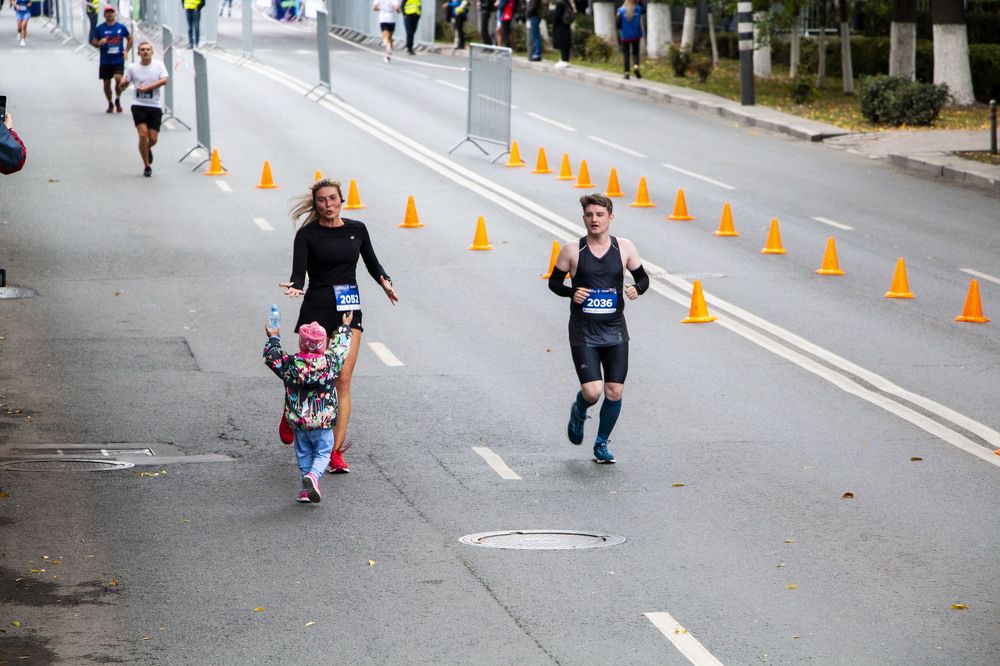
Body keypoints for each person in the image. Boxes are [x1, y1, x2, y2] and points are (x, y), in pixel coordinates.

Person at [279, 179, 399, 474]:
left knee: (342, 379)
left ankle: (333, 451)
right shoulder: (307, 235)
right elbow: (298, 273)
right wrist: (296, 287)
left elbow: (373, 263)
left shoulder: (356, 230)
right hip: (316, 311)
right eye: (322, 200)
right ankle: (291, 409)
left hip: (348, 309)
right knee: (313, 377)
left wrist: (385, 282)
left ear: (341, 200)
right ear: (316, 204)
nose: (328, 204)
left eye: (332, 198)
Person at [547, 193, 649, 464]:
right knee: (593, 392)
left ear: (610, 218)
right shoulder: (572, 250)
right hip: (584, 332)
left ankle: (601, 443)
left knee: (614, 391)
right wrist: (572, 293)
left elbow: (642, 278)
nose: (595, 220)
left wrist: (636, 289)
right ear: (584, 218)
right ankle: (580, 410)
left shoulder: (624, 247)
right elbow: (554, 283)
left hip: (615, 331)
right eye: (590, 215)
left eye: (600, 215)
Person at [264, 318, 352, 504]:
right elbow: (341, 349)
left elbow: (273, 358)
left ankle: (305, 490)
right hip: (323, 421)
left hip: (299, 422)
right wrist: (344, 327)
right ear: (322, 344)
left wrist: (273, 337)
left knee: (303, 454)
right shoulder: (330, 362)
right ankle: (313, 476)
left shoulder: (291, 364)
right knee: (322, 453)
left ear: (301, 343)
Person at [117, 41, 169, 177]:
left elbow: (165, 80)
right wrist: (122, 84)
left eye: (148, 49)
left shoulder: (158, 65)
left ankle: (146, 148)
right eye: (142, 50)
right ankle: (147, 165)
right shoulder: (133, 68)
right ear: (138, 53)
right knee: (142, 134)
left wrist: (148, 87)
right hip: (138, 105)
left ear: (152, 52)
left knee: (153, 139)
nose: (145, 52)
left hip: (155, 105)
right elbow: (124, 84)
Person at [91, 6, 133, 113]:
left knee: (118, 78)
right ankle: (110, 103)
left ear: (115, 14)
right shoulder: (100, 28)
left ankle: (118, 98)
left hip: (118, 59)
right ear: (104, 15)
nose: (109, 14)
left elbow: (130, 38)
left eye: (111, 12)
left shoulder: (121, 27)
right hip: (105, 60)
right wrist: (99, 43)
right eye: (107, 13)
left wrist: (126, 50)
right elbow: (93, 41)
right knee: (106, 84)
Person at [617, 0, 642, 79]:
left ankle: (627, 73)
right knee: (635, 52)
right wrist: (638, 2)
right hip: (636, 34)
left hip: (625, 35)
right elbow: (644, 9)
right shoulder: (638, 9)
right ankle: (636, 66)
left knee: (626, 54)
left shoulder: (621, 10)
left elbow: (618, 24)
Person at [552, 0, 573, 68]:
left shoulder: (559, 4)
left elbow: (556, 16)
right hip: (567, 25)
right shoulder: (567, 3)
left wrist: (554, 24)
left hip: (560, 26)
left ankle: (563, 60)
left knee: (562, 44)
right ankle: (566, 60)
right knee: (566, 44)